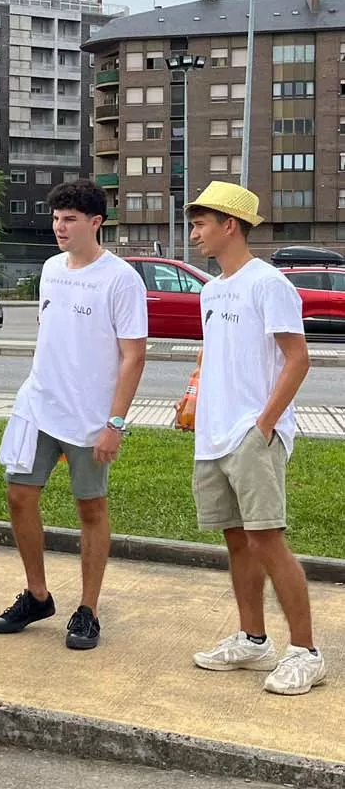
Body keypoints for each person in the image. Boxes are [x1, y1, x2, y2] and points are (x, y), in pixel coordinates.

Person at [0, 179, 146, 651]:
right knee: (19, 495)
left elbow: (134, 356)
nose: (60, 227)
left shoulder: (121, 279)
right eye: (56, 218)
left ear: (95, 222)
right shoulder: (51, 268)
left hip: (91, 417)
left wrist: (114, 423)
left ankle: (88, 610)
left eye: (70, 219)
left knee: (90, 508)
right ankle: (38, 595)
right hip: (39, 405)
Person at [186, 182, 324, 694]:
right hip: (213, 433)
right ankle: (253, 639)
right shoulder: (211, 288)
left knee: (267, 540)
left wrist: (264, 424)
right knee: (236, 540)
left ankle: (306, 652)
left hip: (251, 432)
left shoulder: (268, 284)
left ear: (231, 225)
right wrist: (196, 399)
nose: (195, 232)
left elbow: (298, 358)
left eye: (202, 223)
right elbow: (218, 356)